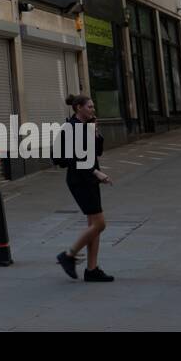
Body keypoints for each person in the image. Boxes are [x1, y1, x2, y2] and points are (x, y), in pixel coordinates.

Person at [55, 94, 115, 282]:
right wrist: (96, 173)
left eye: (93, 106)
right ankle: (69, 255)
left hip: (88, 179)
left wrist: (96, 134)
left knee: (94, 225)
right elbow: (71, 160)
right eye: (89, 107)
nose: (93, 109)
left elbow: (97, 152)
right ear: (79, 108)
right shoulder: (71, 128)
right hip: (80, 180)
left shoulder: (85, 127)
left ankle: (92, 269)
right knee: (100, 224)